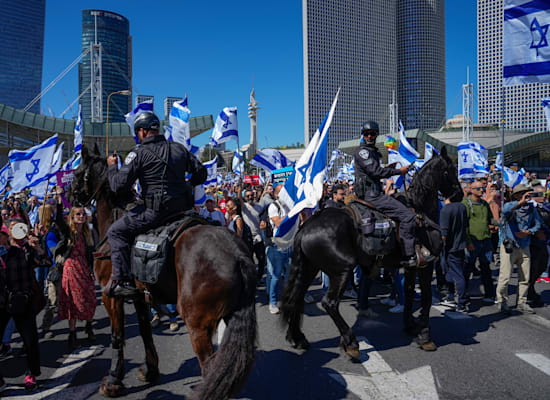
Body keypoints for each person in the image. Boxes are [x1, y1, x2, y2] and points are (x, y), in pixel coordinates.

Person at [106, 112, 207, 297]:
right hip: (183, 210)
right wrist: (187, 184)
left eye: (137, 133)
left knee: (115, 232)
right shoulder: (179, 148)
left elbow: (118, 186)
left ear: (143, 132)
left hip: (154, 212)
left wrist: (112, 167)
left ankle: (122, 280)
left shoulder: (138, 153)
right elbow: (201, 173)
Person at [353, 121, 419, 267]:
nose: (369, 136)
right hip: (372, 195)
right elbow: (375, 171)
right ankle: (408, 255)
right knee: (408, 216)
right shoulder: (363, 151)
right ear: (363, 136)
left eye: (372, 133)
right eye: (367, 134)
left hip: (374, 192)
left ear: (377, 135)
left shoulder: (372, 152)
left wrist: (388, 168)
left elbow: (373, 172)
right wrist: (398, 171)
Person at [0, 226, 41, 392]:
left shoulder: (21, 252)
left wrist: (37, 247)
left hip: (22, 301)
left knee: (30, 341)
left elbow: (45, 262)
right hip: (2, 304)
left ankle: (32, 373)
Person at [54, 194, 97, 351]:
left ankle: (89, 325)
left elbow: (90, 254)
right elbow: (58, 220)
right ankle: (72, 335)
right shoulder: (69, 232)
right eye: (78, 214)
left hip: (84, 268)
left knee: (91, 298)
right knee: (73, 302)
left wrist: (92, 270)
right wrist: (59, 201)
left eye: (83, 214)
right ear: (72, 217)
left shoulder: (87, 233)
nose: (81, 216)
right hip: (71, 269)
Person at [496, 184, 540, 315]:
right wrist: (520, 202)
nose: (526, 195)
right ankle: (502, 302)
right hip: (510, 245)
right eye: (522, 193)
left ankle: (522, 302)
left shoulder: (531, 208)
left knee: (525, 276)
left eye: (527, 193)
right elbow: (505, 212)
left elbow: (537, 223)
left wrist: (529, 231)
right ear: (516, 195)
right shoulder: (510, 206)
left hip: (524, 245)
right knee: (505, 277)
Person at [463, 180, 496, 302]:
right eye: (478, 189)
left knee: (486, 267)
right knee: (468, 268)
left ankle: (489, 294)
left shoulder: (484, 204)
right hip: (473, 241)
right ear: (471, 190)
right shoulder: (466, 204)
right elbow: (464, 225)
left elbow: (490, 219)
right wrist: (468, 242)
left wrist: (498, 223)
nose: (481, 190)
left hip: (485, 240)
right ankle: (463, 294)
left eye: (482, 188)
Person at [440, 192, 470, 312]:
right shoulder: (462, 207)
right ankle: (451, 296)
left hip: (450, 247)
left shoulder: (446, 210)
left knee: (457, 275)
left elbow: (444, 234)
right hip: (460, 244)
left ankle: (462, 303)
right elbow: (466, 227)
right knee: (451, 272)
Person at [265, 184, 293, 314]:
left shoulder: (289, 206)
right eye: (282, 193)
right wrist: (291, 216)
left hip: (291, 242)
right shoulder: (273, 206)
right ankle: (273, 302)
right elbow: (277, 223)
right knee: (276, 275)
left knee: (290, 274)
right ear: (276, 194)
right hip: (279, 244)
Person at [527, 185, 550, 307]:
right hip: (533, 243)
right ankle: (528, 292)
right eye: (540, 194)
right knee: (533, 268)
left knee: (543, 265)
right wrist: (535, 232)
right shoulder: (530, 208)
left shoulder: (545, 207)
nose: (543, 197)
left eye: (544, 194)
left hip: (545, 241)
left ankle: (530, 290)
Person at [239, 188, 267, 280]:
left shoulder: (259, 207)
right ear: (245, 197)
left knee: (262, 259)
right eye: (247, 196)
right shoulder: (244, 207)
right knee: (249, 260)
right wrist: (240, 187)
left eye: (251, 195)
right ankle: (251, 278)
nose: (250, 197)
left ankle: (259, 277)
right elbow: (239, 199)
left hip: (258, 236)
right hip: (248, 238)